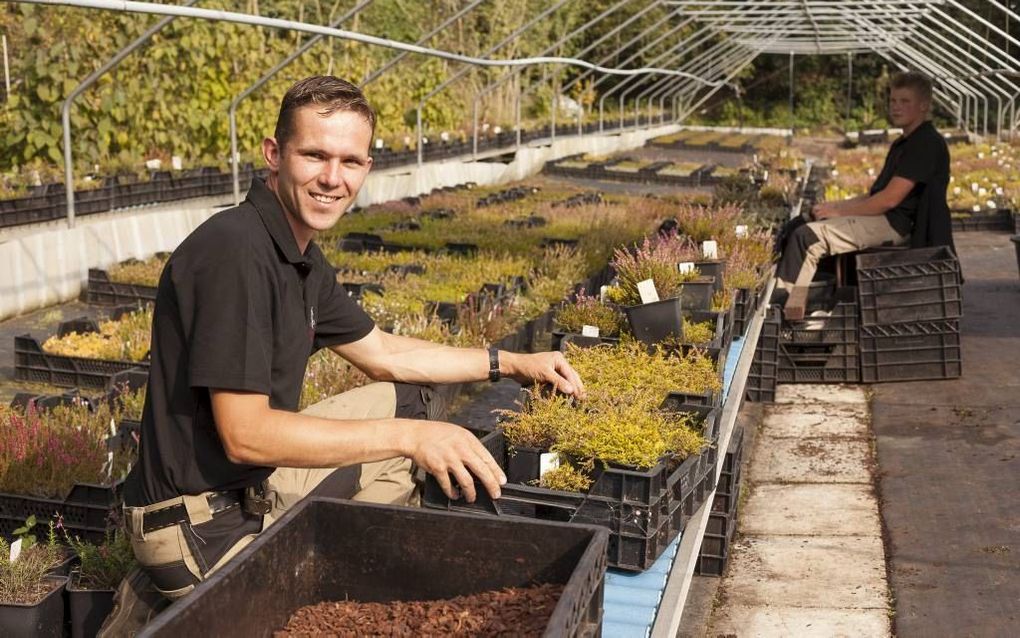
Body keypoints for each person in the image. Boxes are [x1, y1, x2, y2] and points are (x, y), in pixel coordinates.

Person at [103, 75, 586, 629]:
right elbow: (245, 433)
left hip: (245, 489)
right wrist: (412, 439)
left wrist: (513, 364)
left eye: (350, 161)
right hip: (199, 524)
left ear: (367, 168)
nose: (332, 178)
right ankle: (172, 599)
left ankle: (299, 547)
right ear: (274, 154)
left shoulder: (298, 255)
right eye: (314, 156)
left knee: (405, 401)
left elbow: (383, 352)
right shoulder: (235, 253)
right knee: (342, 599)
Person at [775, 71, 954, 320]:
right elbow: (875, 194)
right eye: (893, 101)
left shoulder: (925, 143)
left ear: (924, 105)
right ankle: (810, 308)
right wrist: (834, 205)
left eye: (905, 101)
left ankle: (784, 312)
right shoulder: (904, 143)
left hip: (897, 225)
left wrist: (838, 212)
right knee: (802, 222)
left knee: (807, 238)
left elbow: (888, 200)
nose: (896, 107)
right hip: (886, 219)